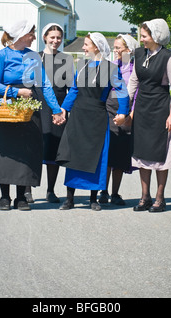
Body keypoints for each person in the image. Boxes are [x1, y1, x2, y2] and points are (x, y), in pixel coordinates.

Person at [0, 19, 65, 211]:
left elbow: (45, 84)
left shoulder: (32, 57)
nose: (34, 37)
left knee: (26, 151)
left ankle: (21, 196)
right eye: (31, 34)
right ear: (21, 35)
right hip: (7, 107)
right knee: (6, 152)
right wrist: (17, 92)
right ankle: (5, 196)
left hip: (30, 109)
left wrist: (56, 110)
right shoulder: (1, 56)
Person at [56, 32, 129, 211]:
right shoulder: (81, 65)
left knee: (97, 157)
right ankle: (69, 199)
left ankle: (93, 199)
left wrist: (122, 112)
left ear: (96, 46)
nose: (83, 47)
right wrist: (64, 109)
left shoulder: (111, 69)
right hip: (78, 117)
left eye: (86, 44)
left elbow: (123, 92)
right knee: (74, 156)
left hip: (97, 117)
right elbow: (74, 90)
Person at [126, 18, 171, 212]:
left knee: (159, 155)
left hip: (161, 109)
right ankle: (144, 197)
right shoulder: (139, 54)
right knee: (142, 153)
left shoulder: (168, 57)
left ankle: (160, 198)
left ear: (156, 36)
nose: (141, 40)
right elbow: (133, 82)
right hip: (142, 108)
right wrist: (125, 107)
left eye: (144, 36)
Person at [25, 23, 74, 204]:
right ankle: (27, 190)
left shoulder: (66, 60)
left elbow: (71, 88)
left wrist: (65, 110)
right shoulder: (33, 57)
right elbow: (27, 83)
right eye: (52, 37)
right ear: (45, 37)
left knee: (54, 151)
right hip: (37, 107)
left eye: (59, 37)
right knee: (33, 149)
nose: (55, 41)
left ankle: (51, 190)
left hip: (57, 109)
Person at [100, 34, 139, 206]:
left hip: (127, 113)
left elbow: (137, 94)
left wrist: (131, 115)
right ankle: (103, 191)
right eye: (114, 48)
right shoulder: (111, 67)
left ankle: (115, 193)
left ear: (128, 50)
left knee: (121, 155)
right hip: (109, 111)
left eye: (118, 48)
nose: (114, 51)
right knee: (108, 153)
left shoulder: (135, 69)